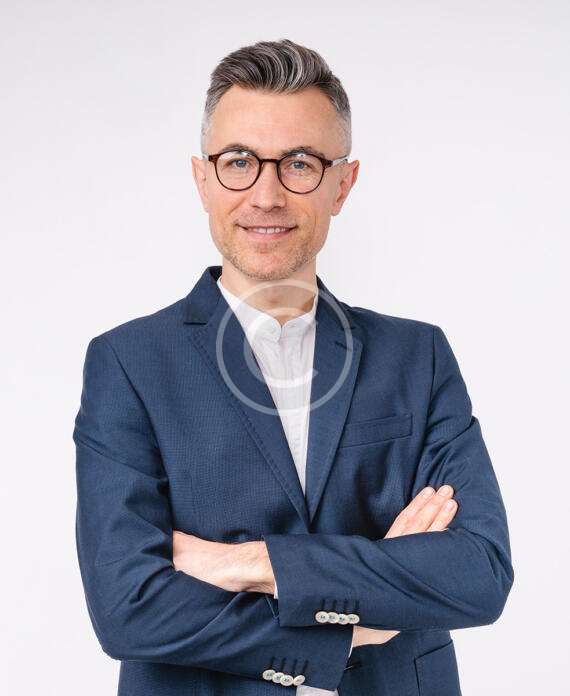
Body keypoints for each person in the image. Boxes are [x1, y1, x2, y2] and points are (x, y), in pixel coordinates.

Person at [74, 38, 514, 696]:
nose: (267, 194)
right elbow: (128, 608)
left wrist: (253, 564)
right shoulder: (128, 363)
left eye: (300, 164)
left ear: (343, 184)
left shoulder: (417, 357)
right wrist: (355, 622)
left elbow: (478, 574)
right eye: (238, 162)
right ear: (201, 180)